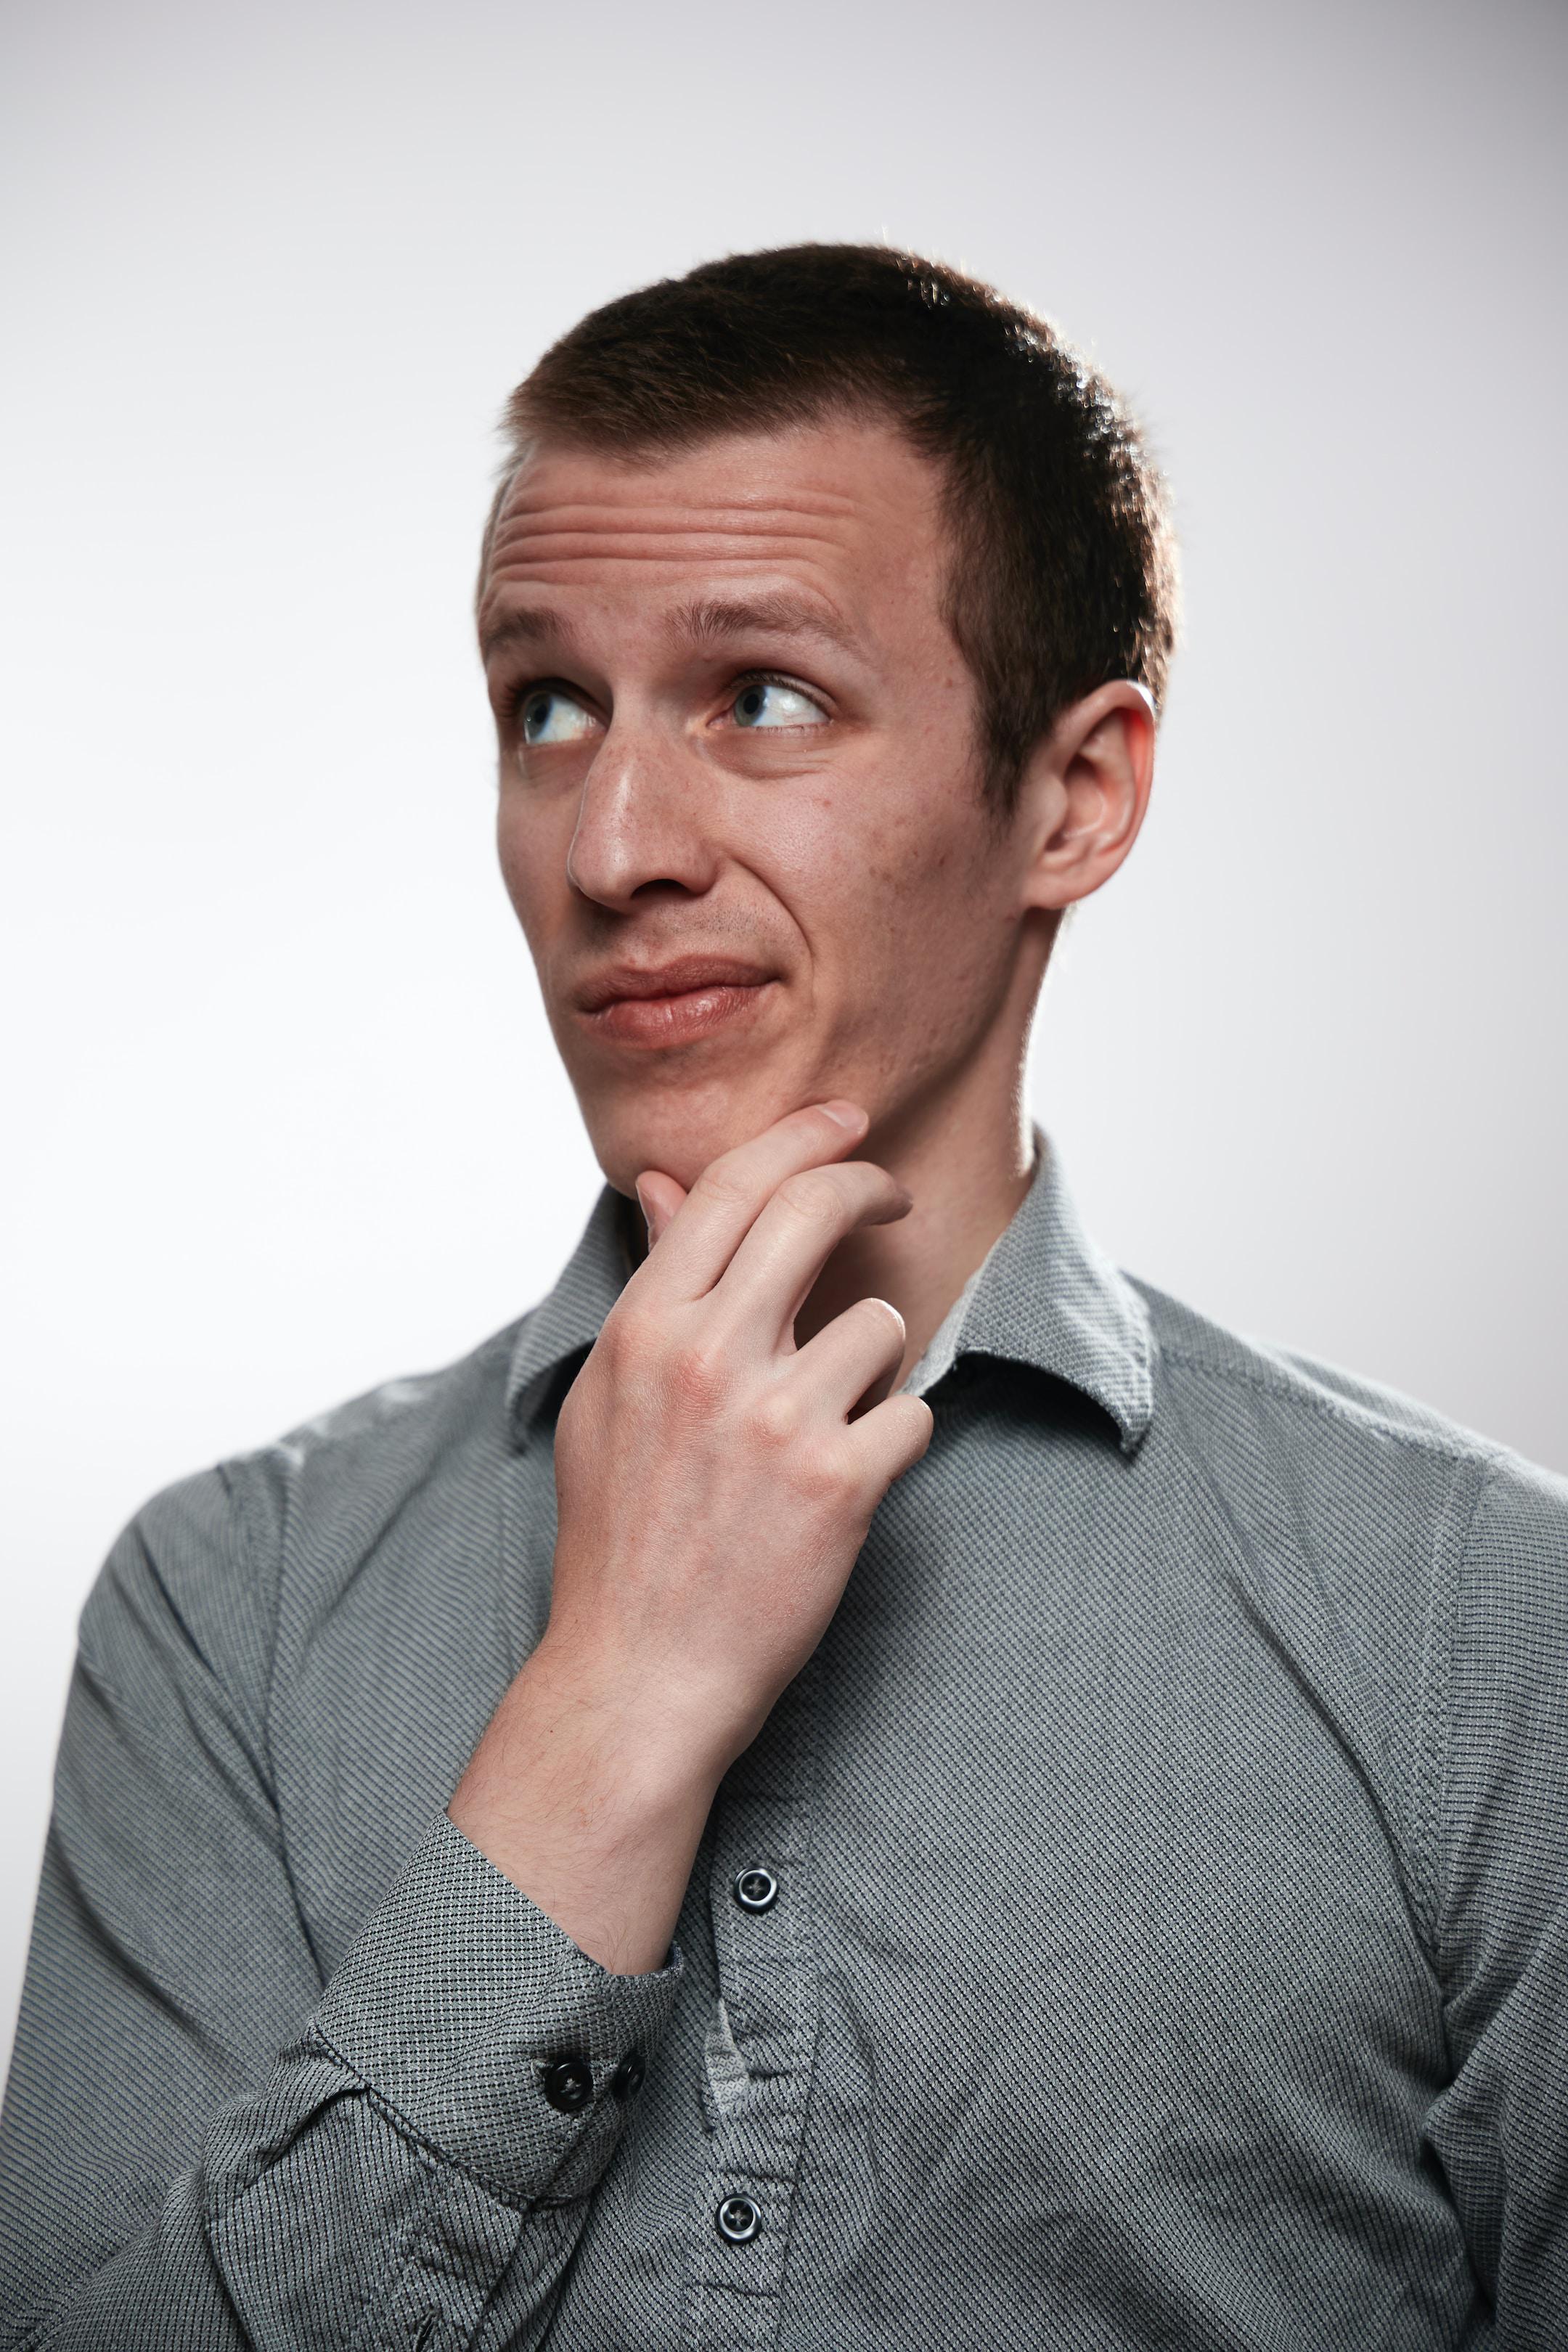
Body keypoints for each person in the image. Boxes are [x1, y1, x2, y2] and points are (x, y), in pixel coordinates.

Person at [1, 242, 1563, 2352]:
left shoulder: (1486, 1632)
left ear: (1076, 793)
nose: (614, 839)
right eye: (546, 705)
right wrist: (613, 1704)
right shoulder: (229, 1607)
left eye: (762, 698)